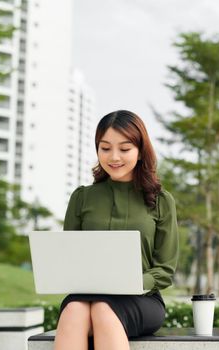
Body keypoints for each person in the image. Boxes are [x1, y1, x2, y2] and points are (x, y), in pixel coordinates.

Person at [54, 110, 179, 350]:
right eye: (105, 148)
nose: (114, 157)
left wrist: (129, 281)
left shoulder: (161, 200)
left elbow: (164, 270)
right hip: (85, 295)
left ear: (141, 150)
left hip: (141, 298)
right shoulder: (82, 198)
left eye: (124, 149)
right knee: (73, 310)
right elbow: (68, 257)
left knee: (103, 309)